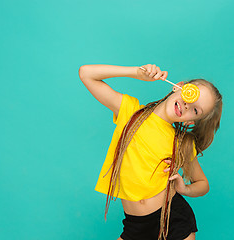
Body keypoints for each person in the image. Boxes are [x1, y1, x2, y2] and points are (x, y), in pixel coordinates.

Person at [78, 64, 223, 240]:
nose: (187, 105)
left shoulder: (182, 143)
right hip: (135, 226)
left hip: (172, 220)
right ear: (178, 86)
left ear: (191, 122)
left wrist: (183, 188)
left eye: (195, 110)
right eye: (191, 95)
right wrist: (136, 73)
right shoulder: (130, 112)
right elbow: (86, 73)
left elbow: (202, 184)